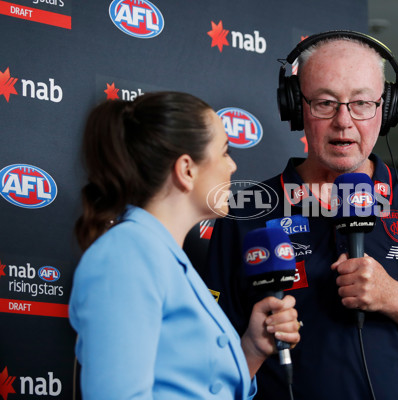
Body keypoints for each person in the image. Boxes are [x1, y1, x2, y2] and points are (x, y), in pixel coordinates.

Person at [200, 32, 398, 400]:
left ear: (387, 108)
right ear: (296, 108)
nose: (344, 121)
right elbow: (203, 362)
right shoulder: (246, 209)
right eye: (325, 103)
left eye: (362, 103)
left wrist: (394, 297)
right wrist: (254, 343)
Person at [68, 91, 301, 400]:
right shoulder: (126, 254)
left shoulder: (164, 257)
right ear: (187, 170)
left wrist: (252, 348)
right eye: (224, 152)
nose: (232, 166)